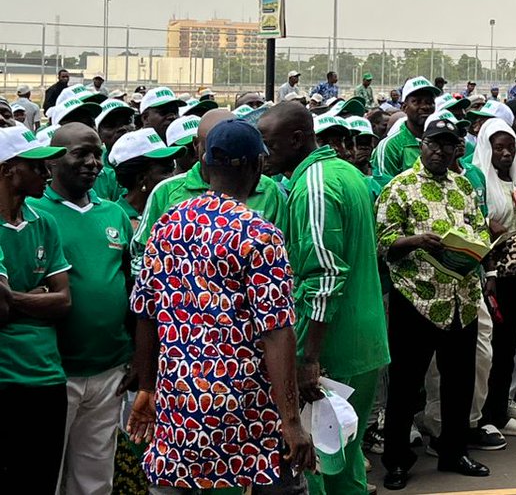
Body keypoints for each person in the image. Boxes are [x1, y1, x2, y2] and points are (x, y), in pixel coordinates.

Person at [127, 119, 314, 493]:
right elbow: (277, 331)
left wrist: (147, 386)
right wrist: (291, 420)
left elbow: (145, 312)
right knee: (278, 483)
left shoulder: (168, 225)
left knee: (175, 485)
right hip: (248, 406)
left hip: (181, 401)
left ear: (206, 163)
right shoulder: (259, 235)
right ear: (256, 167)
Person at [259, 100, 388, 495]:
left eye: (270, 144)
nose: (264, 154)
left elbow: (325, 277)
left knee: (316, 463)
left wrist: (309, 357)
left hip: (333, 347)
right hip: (362, 339)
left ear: (298, 139)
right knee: (345, 464)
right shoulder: (346, 172)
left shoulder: (315, 186)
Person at [376, 114, 493, 488]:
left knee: (458, 382)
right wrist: (416, 241)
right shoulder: (400, 188)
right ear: (421, 145)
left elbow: (480, 230)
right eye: (434, 144)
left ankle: (453, 450)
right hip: (418, 300)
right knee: (407, 385)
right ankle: (396, 460)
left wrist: (480, 258)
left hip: (461, 298)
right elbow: (383, 244)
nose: (441, 152)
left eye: (448, 145)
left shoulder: (464, 187)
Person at [27, 123, 131, 495]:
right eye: (80, 154)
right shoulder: (34, 212)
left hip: (109, 367)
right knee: (45, 474)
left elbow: (130, 283)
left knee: (95, 475)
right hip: (55, 371)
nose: (91, 163)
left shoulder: (114, 214)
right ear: (53, 161)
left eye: (97, 154)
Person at [0, 125, 71, 494]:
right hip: (5, 378)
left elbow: (63, 301)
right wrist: (36, 296)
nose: (47, 174)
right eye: (37, 166)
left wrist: (16, 297)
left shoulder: (45, 222)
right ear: (8, 170)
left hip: (47, 378)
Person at [133, 109, 289, 272]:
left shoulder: (270, 191)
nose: (224, 154)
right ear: (196, 145)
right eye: (216, 148)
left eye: (232, 149)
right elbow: (142, 259)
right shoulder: (166, 192)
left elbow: (284, 258)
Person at [468, 120, 516, 442]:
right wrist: (487, 223)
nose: (506, 153)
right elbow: (469, 222)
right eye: (499, 147)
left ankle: (499, 411)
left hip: (515, 276)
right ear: (487, 149)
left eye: (510, 147)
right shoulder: (477, 182)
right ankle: (480, 416)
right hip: (489, 278)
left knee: (508, 347)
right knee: (487, 350)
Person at [109, 128, 185, 234]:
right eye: (166, 172)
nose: (173, 177)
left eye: (173, 170)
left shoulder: (176, 209)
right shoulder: (115, 218)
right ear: (141, 178)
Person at [373, 76, 440, 179]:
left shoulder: (442, 142)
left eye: (429, 102)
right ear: (404, 107)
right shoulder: (390, 147)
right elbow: (383, 189)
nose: (425, 107)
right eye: (417, 102)